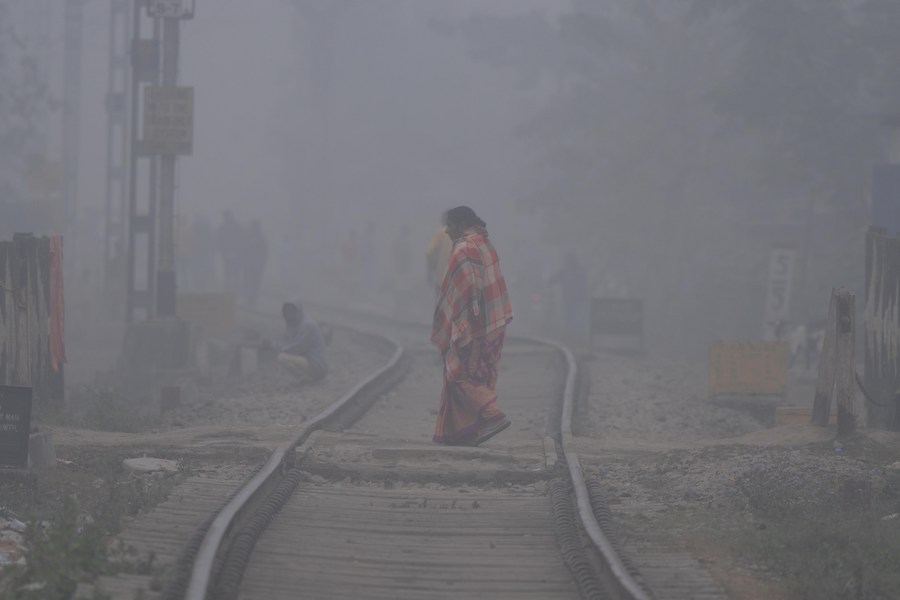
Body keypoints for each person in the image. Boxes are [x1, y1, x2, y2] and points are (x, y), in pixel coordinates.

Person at [431, 206, 513, 446]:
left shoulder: (463, 248)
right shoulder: (485, 244)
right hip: (494, 322)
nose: (446, 231)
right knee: (479, 374)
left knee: (458, 373)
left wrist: (459, 328)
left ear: (460, 224)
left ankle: (493, 416)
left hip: (474, 325)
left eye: (450, 225)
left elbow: (463, 293)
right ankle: (467, 432)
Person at [275, 300, 328, 383]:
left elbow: (296, 348)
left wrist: (276, 347)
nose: (289, 315)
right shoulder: (299, 323)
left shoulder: (306, 325)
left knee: (282, 357)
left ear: (298, 311)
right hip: (313, 362)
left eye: (292, 312)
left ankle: (307, 377)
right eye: (287, 312)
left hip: (318, 366)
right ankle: (308, 377)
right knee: (283, 355)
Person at [425, 213, 452, 296]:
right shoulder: (462, 235)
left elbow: (430, 252)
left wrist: (430, 271)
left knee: (441, 305)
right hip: (457, 280)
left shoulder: (440, 233)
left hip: (441, 278)